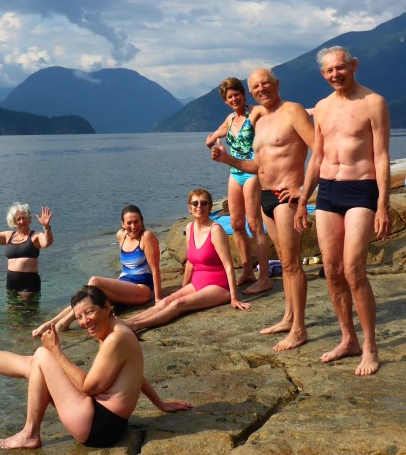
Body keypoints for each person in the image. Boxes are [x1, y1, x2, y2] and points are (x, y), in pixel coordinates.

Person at [0, 285, 191, 449]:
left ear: (107, 307)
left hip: (98, 426)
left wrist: (56, 351)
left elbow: (88, 387)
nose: (84, 322)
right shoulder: (117, 331)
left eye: (89, 312)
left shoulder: (116, 338)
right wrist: (161, 403)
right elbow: (134, 373)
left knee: (42, 355)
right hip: (106, 422)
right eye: (79, 316)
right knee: (34, 365)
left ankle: (30, 433)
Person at [294, 46, 390, 376]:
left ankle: (370, 347)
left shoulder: (373, 102)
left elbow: (380, 156)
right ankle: (347, 339)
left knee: (352, 270)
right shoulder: (320, 108)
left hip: (361, 189)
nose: (336, 74)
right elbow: (317, 157)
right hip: (327, 192)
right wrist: (303, 198)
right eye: (330, 70)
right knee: (332, 269)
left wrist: (382, 204)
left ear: (354, 65)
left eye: (341, 67)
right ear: (323, 74)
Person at [212, 69, 314, 351]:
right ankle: (288, 318)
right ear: (252, 91)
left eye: (265, 83)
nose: (261, 89)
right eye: (256, 86)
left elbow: (320, 149)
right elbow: (257, 166)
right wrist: (226, 159)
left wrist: (303, 189)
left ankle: (299, 329)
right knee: (283, 260)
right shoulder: (261, 120)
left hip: (286, 198)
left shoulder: (292, 111)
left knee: (292, 264)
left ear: (277, 84)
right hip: (266, 195)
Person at [126, 189, 251, 333]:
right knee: (167, 300)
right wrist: (183, 286)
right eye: (195, 203)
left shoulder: (216, 230)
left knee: (179, 303)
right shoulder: (189, 228)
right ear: (189, 208)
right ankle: (128, 322)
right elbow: (191, 262)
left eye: (204, 203)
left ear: (210, 207)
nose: (199, 206)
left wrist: (234, 298)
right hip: (197, 283)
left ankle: (136, 326)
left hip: (218, 286)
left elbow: (228, 266)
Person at [32, 204, 161, 336]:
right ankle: (52, 322)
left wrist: (157, 300)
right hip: (125, 285)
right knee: (87, 294)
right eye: (129, 223)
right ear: (122, 223)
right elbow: (127, 267)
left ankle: (64, 323)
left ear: (142, 221)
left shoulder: (147, 237)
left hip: (141, 289)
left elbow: (155, 270)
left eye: (136, 222)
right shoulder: (120, 236)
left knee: (94, 281)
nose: (133, 226)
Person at [206, 77, 272, 295]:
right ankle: (247, 270)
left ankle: (264, 277)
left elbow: (278, 111)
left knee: (254, 224)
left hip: (253, 170)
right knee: (235, 224)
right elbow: (218, 133)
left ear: (244, 95)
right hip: (235, 173)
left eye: (237, 95)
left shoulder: (256, 113)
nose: (234, 99)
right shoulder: (230, 118)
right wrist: (211, 140)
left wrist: (307, 112)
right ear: (226, 101)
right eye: (229, 97)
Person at [0, 202, 53, 298]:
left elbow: (46, 243)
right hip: (11, 284)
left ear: (29, 218)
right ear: (14, 222)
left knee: (27, 312)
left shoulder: (36, 235)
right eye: (18, 219)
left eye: (24, 218)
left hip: (29, 284)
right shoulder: (9, 236)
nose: (21, 221)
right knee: (12, 312)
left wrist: (46, 227)